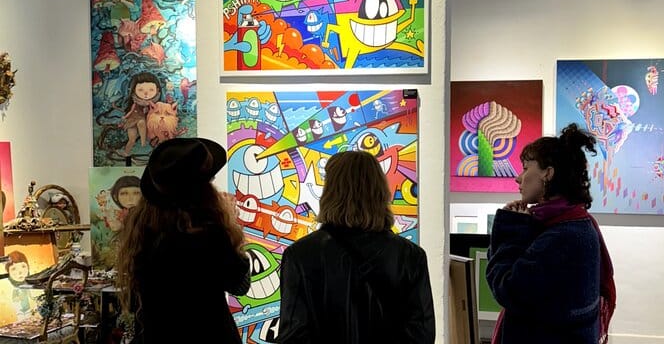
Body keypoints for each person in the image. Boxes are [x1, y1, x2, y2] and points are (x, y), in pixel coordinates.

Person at [277, 150, 435, 344]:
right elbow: (422, 335)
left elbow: (293, 336)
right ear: (380, 192)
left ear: (330, 193)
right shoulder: (410, 256)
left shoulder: (300, 255)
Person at [486, 123, 616, 344]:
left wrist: (511, 230)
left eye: (526, 168)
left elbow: (507, 289)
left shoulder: (562, 236)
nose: (518, 178)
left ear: (548, 173)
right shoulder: (574, 223)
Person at [115, 137, 251, 344]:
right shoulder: (210, 236)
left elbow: (136, 301)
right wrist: (233, 233)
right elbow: (240, 285)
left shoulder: (142, 235)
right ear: (204, 194)